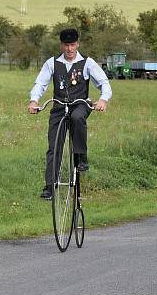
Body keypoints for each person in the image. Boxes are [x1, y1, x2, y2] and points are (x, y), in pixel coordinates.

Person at [28, 28, 112, 199]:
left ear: (77, 44)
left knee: (77, 117)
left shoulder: (87, 63)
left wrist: (103, 99)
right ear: (62, 46)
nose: (69, 49)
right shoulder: (52, 63)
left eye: (72, 45)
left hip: (80, 104)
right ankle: (50, 187)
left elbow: (104, 82)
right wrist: (34, 100)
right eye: (66, 45)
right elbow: (40, 83)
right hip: (59, 106)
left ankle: (81, 157)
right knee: (54, 147)